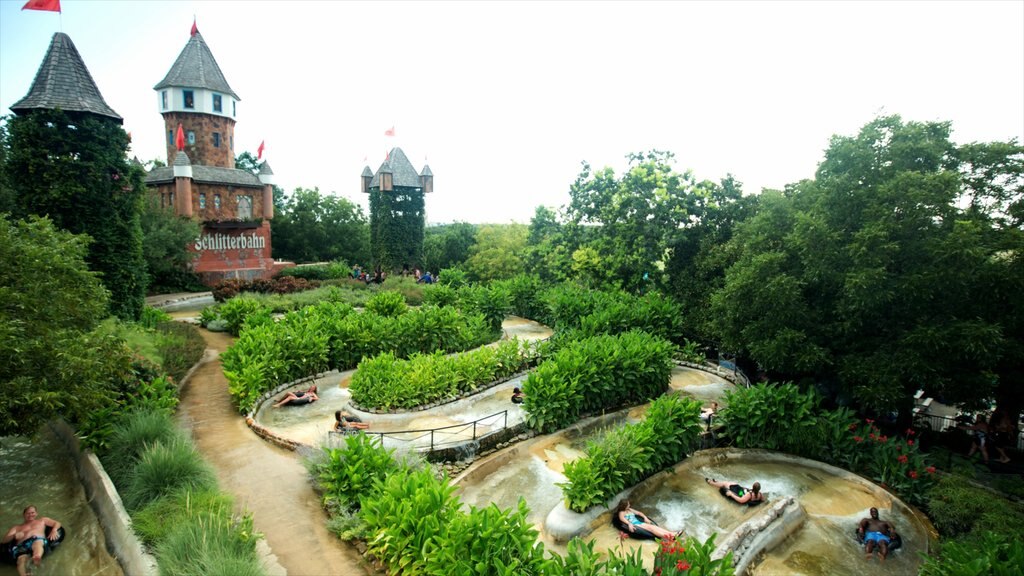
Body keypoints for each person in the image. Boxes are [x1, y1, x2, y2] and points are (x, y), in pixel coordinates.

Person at [2, 505, 61, 576]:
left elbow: (57, 523)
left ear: (36, 513)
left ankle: (37, 557)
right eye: (28, 513)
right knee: (21, 560)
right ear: (24, 515)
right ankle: (23, 574)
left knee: (37, 544)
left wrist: (54, 530)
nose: (30, 515)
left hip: (37, 539)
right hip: (22, 545)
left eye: (32, 513)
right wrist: (14, 536)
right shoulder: (17, 527)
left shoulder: (42, 520)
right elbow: (4, 541)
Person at [614, 500, 680, 540]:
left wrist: (645, 518)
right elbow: (622, 519)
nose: (629, 505)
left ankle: (671, 533)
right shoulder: (621, 513)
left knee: (654, 527)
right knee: (652, 529)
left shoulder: (630, 510)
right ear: (624, 505)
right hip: (635, 524)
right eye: (628, 504)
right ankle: (670, 537)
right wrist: (629, 524)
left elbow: (639, 513)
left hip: (639, 522)